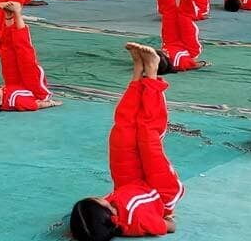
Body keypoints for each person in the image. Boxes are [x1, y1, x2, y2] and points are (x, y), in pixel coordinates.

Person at [70, 43, 183, 240]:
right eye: (100, 201)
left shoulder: (104, 212)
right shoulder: (137, 221)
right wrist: (169, 218)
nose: (102, 198)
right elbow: (165, 227)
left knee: (121, 131)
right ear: (111, 215)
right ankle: (152, 73)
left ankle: (138, 74)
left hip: (128, 184)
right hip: (159, 190)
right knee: (147, 132)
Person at [0, 1, 60, 112]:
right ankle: (17, 13)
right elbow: (36, 105)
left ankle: (8, 17)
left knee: (6, 53)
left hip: (13, 84)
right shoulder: (17, 101)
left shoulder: (1, 98)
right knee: (23, 50)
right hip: (35, 90)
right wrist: (52, 103)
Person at [154, 0, 206, 73]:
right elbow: (195, 64)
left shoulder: (155, 59)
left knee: (169, 12)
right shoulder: (178, 63)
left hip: (170, 42)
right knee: (184, 16)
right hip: (189, 48)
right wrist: (203, 64)